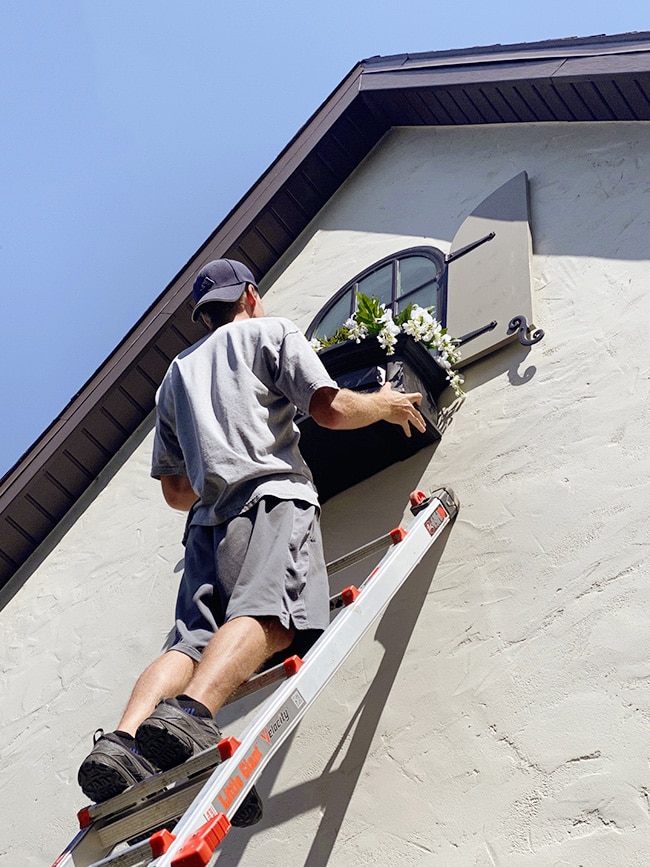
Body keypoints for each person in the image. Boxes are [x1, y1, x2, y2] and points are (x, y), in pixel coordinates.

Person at [77, 258, 426, 826]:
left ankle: (122, 742)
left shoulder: (176, 375)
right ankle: (193, 717)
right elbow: (329, 409)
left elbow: (174, 489)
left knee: (187, 647)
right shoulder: (271, 332)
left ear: (205, 314)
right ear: (251, 296)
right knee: (274, 616)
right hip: (272, 500)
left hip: (205, 526)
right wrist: (385, 405)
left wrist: (219, 480)